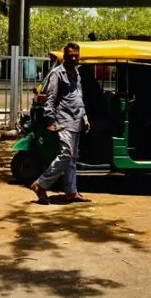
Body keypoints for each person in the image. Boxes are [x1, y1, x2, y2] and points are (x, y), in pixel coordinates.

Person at [30, 42, 91, 204]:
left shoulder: (77, 74)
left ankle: (71, 192)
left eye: (76, 55)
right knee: (66, 154)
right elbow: (51, 99)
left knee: (72, 158)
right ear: (64, 56)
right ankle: (41, 184)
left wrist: (84, 118)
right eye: (70, 54)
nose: (73, 57)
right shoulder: (57, 74)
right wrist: (50, 120)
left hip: (77, 120)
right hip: (64, 120)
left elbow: (79, 98)